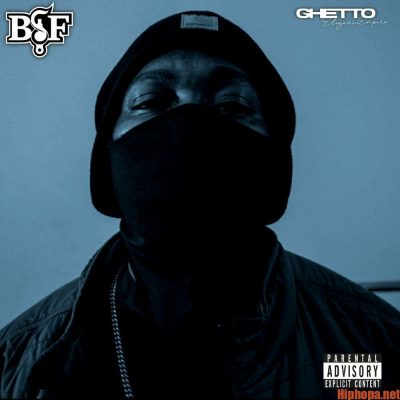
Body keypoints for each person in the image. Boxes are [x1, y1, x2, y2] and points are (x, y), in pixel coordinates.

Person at [1, 11, 399, 400]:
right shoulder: (15, 358)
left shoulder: (374, 345)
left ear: (275, 165)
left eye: (232, 104)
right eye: (151, 100)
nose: (190, 123)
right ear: (108, 160)